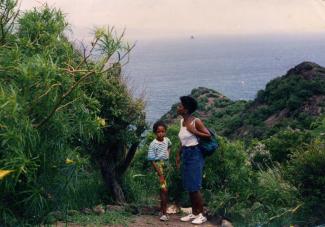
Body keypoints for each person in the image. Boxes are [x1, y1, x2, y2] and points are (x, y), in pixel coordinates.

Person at [176, 96, 210, 225]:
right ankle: (194, 212)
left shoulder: (196, 121)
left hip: (195, 154)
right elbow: (183, 141)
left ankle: (201, 215)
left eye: (180, 106)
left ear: (186, 109)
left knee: (195, 186)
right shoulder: (181, 122)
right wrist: (178, 155)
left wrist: (194, 131)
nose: (178, 107)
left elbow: (207, 135)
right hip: (186, 153)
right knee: (189, 185)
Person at [147, 120, 172, 221]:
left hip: (166, 165)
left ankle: (162, 210)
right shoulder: (153, 144)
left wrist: (168, 154)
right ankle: (164, 214)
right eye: (158, 132)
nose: (161, 133)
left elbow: (170, 145)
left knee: (164, 191)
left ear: (165, 132)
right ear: (155, 132)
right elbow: (152, 160)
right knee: (164, 189)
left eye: (163, 131)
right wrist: (160, 174)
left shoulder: (167, 140)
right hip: (158, 167)